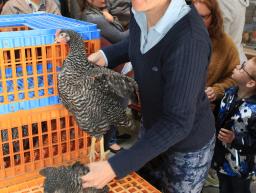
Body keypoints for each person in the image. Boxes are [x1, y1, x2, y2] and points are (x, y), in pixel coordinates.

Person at [81, 0, 216, 192]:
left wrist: (115, 166)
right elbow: (138, 42)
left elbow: (178, 122)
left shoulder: (190, 40)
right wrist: (105, 55)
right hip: (152, 127)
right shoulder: (141, 11)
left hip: (187, 146)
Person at [212, 57, 256, 193]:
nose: (237, 66)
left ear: (250, 83)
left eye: (243, 67)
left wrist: (234, 139)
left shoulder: (253, 111)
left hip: (240, 169)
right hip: (222, 161)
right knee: (224, 188)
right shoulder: (230, 92)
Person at [193, 0, 239, 112]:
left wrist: (216, 90)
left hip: (201, 112)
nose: (196, 21)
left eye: (203, 17)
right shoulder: (176, 36)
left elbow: (234, 79)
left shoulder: (226, 45)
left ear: (213, 17)